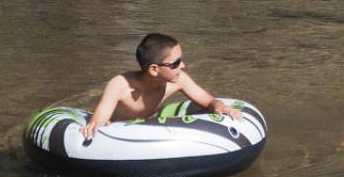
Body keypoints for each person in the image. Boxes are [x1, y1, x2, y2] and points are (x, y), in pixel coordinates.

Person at [82, 33, 242, 141]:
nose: (183, 65)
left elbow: (209, 102)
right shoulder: (120, 85)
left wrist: (221, 107)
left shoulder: (178, 80)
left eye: (182, 60)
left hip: (150, 127)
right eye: (176, 63)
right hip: (120, 134)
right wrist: (97, 126)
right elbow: (98, 122)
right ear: (154, 69)